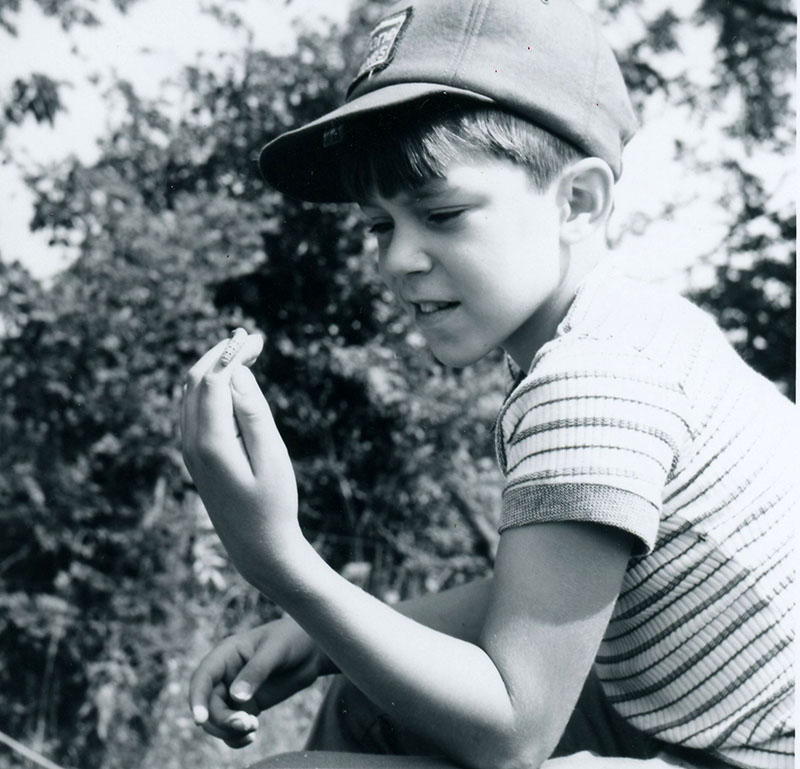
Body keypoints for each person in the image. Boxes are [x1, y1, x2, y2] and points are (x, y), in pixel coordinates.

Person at [179, 1, 796, 768]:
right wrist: (316, 638)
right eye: (380, 224)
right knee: (366, 699)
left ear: (578, 201)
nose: (397, 258)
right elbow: (538, 597)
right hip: (708, 723)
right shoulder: (632, 328)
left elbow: (513, 728)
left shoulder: (593, 381)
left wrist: (280, 559)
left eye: (442, 212)